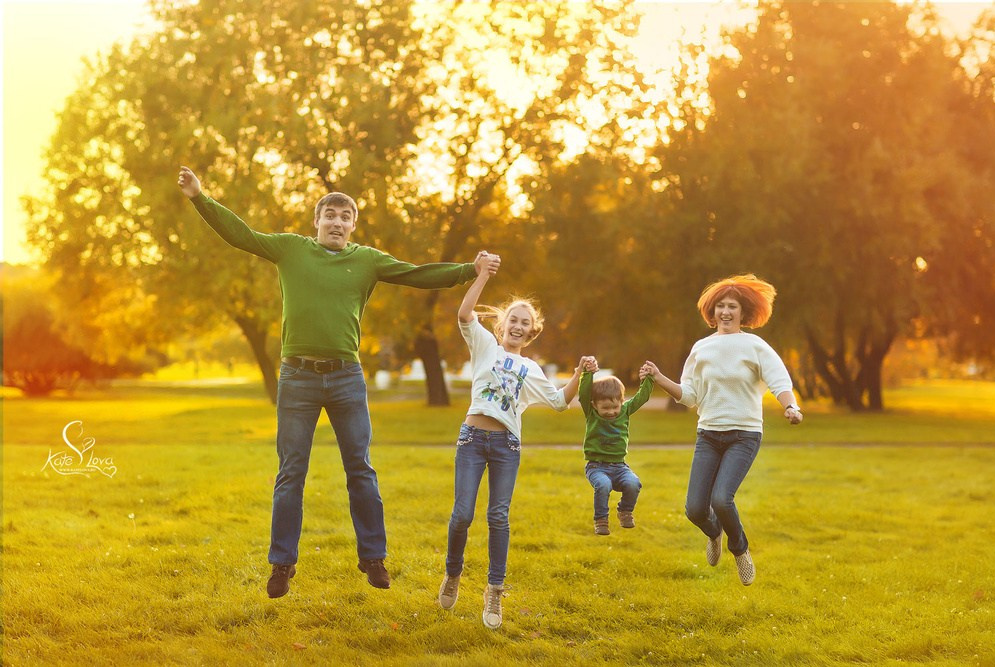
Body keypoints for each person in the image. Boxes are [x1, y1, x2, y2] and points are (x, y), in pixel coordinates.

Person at [177, 166, 491, 597]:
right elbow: (241, 234)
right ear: (317, 221)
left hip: (346, 378)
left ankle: (373, 557)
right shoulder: (290, 249)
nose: (338, 222)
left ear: (353, 226)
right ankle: (281, 564)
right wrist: (200, 197)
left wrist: (465, 271)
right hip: (297, 378)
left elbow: (416, 274)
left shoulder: (367, 260)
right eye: (331, 215)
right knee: (291, 472)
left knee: (360, 468)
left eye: (346, 217)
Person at [437, 256, 587, 629]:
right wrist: (482, 275)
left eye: (525, 323)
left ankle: (493, 591)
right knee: (462, 515)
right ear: (501, 326)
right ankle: (453, 574)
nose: (517, 326)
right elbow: (464, 313)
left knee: (498, 517)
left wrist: (580, 374)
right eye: (512, 320)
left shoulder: (532, 369)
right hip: (472, 439)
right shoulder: (485, 346)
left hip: (507, 447)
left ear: (532, 331)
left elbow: (559, 402)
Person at [642, 274, 803, 586]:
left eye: (732, 306)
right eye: (720, 306)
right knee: (695, 509)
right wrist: (660, 378)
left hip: (744, 435)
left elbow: (778, 380)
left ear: (744, 313)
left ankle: (739, 549)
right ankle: (714, 532)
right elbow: (689, 395)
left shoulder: (755, 345)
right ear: (711, 312)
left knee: (721, 499)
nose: (725, 312)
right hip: (709, 435)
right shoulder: (702, 348)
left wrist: (790, 406)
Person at [578, 362, 654, 536]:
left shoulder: (625, 411)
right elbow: (583, 394)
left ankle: (625, 511)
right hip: (596, 466)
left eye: (615, 407)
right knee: (603, 485)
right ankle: (601, 520)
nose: (611, 412)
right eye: (605, 408)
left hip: (620, 466)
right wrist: (587, 374)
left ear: (622, 402)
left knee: (633, 483)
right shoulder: (591, 412)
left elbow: (642, 397)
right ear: (595, 404)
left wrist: (647, 379)